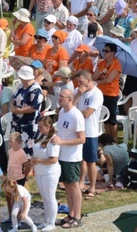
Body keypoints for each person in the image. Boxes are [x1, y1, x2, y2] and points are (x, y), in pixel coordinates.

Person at [51, 88, 85, 230]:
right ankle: (70, 213)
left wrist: (62, 142)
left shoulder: (76, 115)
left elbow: (82, 138)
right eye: (59, 96)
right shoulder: (62, 113)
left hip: (72, 156)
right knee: (66, 184)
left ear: (70, 99)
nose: (60, 98)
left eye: (62, 97)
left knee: (74, 185)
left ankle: (77, 215)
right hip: (62, 154)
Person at [74, 70, 103, 199]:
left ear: (88, 80)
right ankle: (81, 183)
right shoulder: (79, 91)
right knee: (81, 159)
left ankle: (92, 187)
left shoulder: (96, 94)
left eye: (81, 81)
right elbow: (69, 105)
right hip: (79, 130)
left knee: (91, 161)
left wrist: (74, 110)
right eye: (78, 82)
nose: (79, 84)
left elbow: (87, 114)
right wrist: (78, 96)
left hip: (90, 132)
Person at [31, 116, 60, 231]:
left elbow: (53, 159)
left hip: (50, 172)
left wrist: (37, 161)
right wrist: (34, 159)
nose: (39, 129)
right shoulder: (41, 137)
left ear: (48, 127)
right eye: (38, 127)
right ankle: (47, 220)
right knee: (44, 197)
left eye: (41, 127)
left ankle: (52, 222)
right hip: (40, 171)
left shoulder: (53, 140)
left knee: (50, 197)